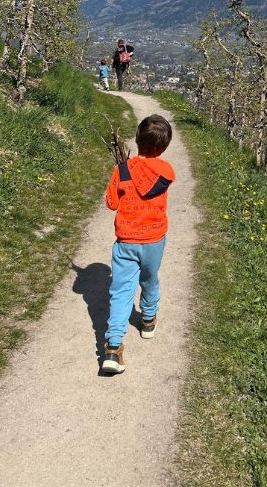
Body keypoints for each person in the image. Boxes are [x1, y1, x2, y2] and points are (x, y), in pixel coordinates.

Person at [102, 114, 175, 374]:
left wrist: (122, 174)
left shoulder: (122, 170)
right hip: (154, 239)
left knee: (121, 292)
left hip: (126, 241)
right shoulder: (166, 172)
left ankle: (113, 348)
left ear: (136, 139)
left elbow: (112, 203)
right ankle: (147, 320)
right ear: (164, 147)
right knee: (150, 279)